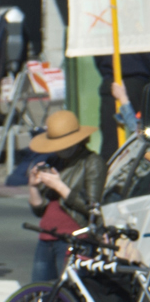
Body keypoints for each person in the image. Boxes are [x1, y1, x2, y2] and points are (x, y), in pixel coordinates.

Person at [25, 109, 103, 284]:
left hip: (73, 239)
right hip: (46, 238)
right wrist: (33, 187)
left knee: (69, 295)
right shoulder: (54, 161)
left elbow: (93, 209)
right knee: (41, 295)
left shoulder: (92, 162)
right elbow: (39, 209)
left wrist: (59, 186)